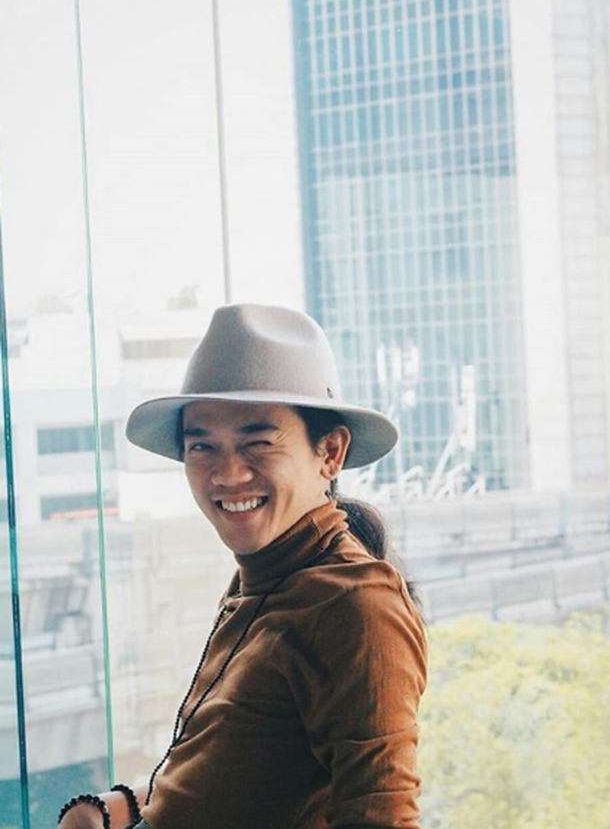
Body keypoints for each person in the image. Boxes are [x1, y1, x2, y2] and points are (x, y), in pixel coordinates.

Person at [57, 303, 427, 829]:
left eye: (257, 442)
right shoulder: (264, 579)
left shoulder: (355, 605)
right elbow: (232, 779)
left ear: (330, 452)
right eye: (202, 446)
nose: (227, 473)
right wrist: (112, 807)